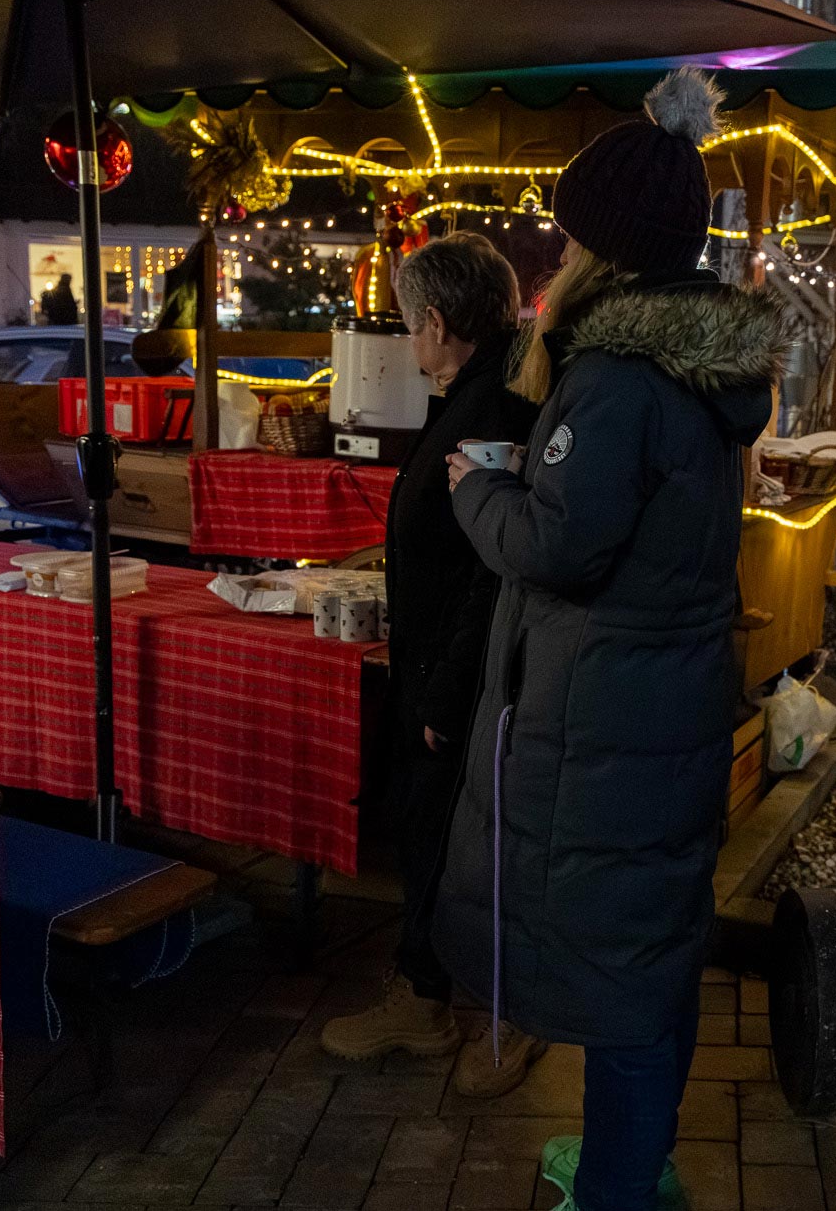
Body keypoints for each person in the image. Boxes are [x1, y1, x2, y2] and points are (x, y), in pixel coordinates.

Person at [438, 69, 783, 1211]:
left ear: (606, 253)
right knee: (650, 951)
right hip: (656, 712)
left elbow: (556, 548)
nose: (553, 254)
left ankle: (621, 1184)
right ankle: (630, 1160)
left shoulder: (616, 380)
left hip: (606, 726)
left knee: (623, 971)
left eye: (570, 236)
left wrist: (473, 492)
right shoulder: (687, 372)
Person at [318, 234, 543, 1098]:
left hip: (457, 679)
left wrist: (443, 692)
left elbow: (488, 575)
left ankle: (447, 1003)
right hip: (446, 671)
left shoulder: (489, 413)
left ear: (439, 324)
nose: (411, 344)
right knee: (435, 835)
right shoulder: (482, 394)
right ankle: (428, 993)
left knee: (450, 839)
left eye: (414, 327)